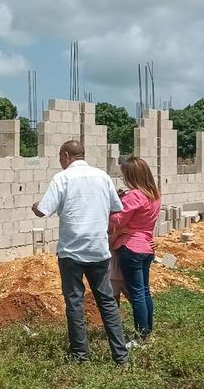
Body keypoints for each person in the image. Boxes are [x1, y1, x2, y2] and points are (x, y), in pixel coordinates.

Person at [32, 140, 128, 365]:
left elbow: (43, 211)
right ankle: (121, 357)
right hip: (98, 251)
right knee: (107, 303)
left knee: (74, 303)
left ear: (66, 155)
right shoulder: (103, 177)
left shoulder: (62, 178)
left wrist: (35, 206)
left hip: (71, 253)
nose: (59, 160)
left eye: (59, 156)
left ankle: (80, 357)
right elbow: (116, 207)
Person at [110, 157, 161, 341]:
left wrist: (114, 205)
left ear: (131, 175)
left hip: (130, 247)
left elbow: (116, 221)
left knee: (137, 293)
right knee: (144, 291)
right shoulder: (154, 195)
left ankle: (142, 336)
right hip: (146, 247)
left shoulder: (134, 195)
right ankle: (147, 333)